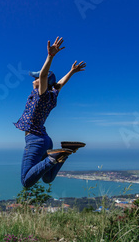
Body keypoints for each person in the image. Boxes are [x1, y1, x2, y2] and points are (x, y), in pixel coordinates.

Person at [13, 37, 86, 188]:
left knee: (26, 181)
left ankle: (54, 157)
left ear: (43, 82)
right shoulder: (52, 95)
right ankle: (65, 152)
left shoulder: (42, 95)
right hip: (46, 140)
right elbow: (59, 84)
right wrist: (71, 72)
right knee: (48, 178)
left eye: (36, 78)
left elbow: (44, 75)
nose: (34, 79)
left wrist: (50, 56)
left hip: (35, 140)